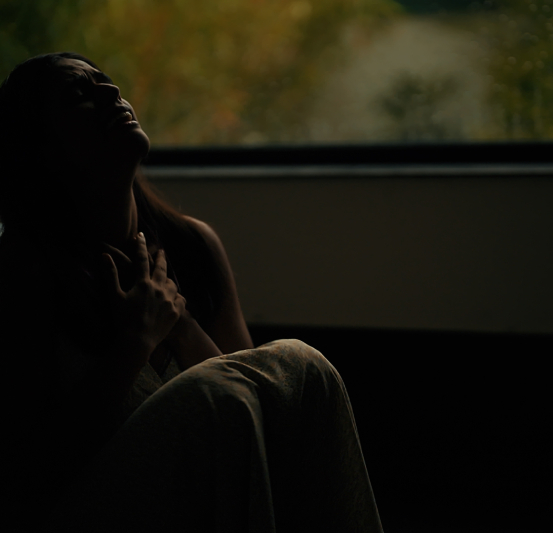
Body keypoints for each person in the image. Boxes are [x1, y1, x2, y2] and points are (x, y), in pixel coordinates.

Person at [0, 52, 383, 532]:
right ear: (41, 149)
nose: (108, 93)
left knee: (300, 365)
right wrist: (134, 344)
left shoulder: (192, 245)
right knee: (220, 392)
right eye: (78, 94)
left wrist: (178, 325)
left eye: (105, 80)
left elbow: (262, 404)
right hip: (89, 509)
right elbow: (25, 477)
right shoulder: (21, 274)